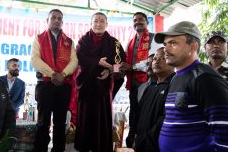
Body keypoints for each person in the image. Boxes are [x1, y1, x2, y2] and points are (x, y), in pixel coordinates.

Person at [155, 21, 228, 151]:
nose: (166, 50)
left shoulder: (205, 79)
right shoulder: (176, 78)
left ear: (193, 47)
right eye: (165, 44)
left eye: (173, 43)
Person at [74, 12, 126, 152]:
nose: (98, 24)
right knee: (85, 121)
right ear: (91, 24)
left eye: (102, 21)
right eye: (96, 21)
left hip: (103, 88)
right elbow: (79, 58)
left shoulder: (114, 43)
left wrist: (109, 71)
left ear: (107, 24)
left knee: (102, 120)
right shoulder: (83, 41)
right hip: (86, 86)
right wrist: (97, 62)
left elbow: (121, 63)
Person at [31, 9, 78, 152]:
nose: (56, 20)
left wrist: (62, 75)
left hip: (63, 85)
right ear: (48, 21)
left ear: (62, 22)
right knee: (43, 122)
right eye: (53, 18)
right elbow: (35, 60)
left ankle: (58, 149)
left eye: (59, 18)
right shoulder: (38, 38)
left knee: (60, 123)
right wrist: (53, 74)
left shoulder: (69, 41)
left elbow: (74, 61)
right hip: (45, 85)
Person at [119, 12, 159, 147]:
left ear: (147, 22)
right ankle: (132, 139)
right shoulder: (130, 42)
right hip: (133, 83)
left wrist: (132, 67)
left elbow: (152, 61)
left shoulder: (153, 38)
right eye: (135, 20)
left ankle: (143, 141)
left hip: (148, 82)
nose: (137, 22)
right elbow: (123, 62)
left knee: (145, 112)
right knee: (134, 111)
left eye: (141, 19)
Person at [135, 47, 175, 152]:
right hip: (141, 144)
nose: (156, 61)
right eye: (155, 58)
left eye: (162, 58)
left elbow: (165, 119)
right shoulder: (150, 87)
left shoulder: (175, 85)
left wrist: (144, 140)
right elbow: (138, 114)